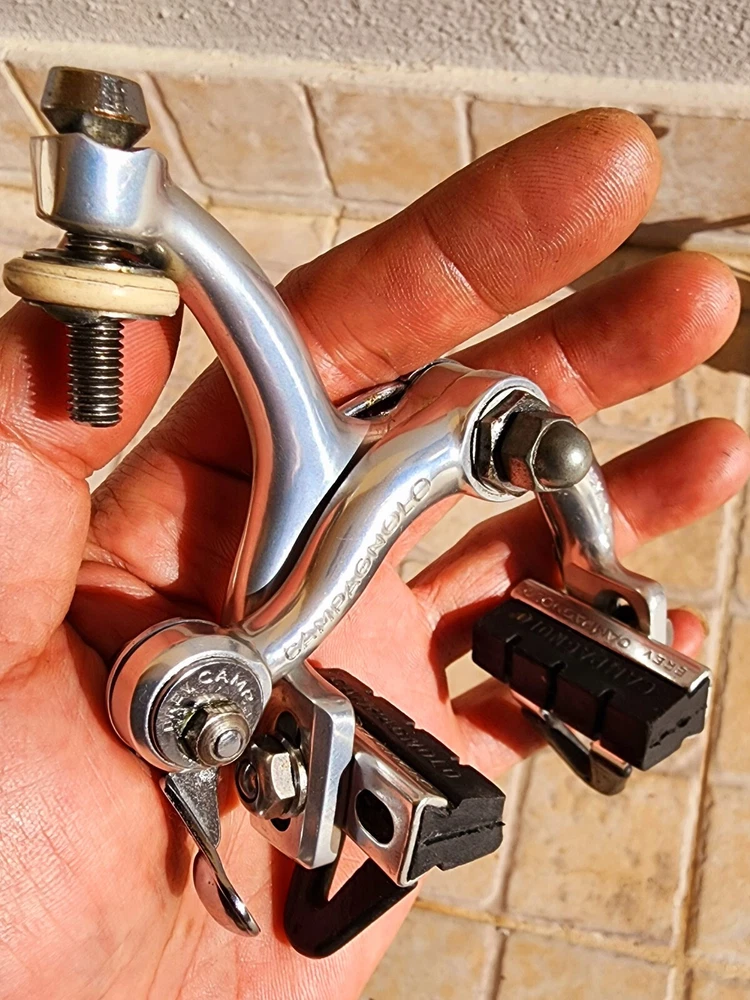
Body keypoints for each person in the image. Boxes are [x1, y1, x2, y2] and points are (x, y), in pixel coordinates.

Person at [0, 107, 746, 999]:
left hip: (388, 496)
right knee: (547, 460)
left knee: (553, 459)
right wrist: (260, 660)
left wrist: (591, 561)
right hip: (321, 569)